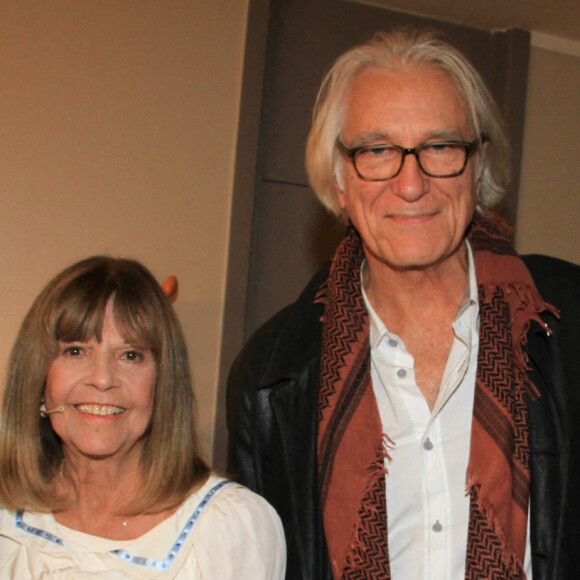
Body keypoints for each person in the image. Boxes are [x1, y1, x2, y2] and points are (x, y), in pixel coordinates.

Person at [227, 28, 580, 580]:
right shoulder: (272, 375)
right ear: (339, 178)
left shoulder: (569, 320)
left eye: (440, 146)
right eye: (377, 150)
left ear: (478, 165)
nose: (411, 184)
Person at [0, 256, 286, 579]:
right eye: (76, 351)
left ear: (163, 383)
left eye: (130, 355)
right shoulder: (8, 521)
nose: (103, 378)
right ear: (38, 381)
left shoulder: (227, 530)